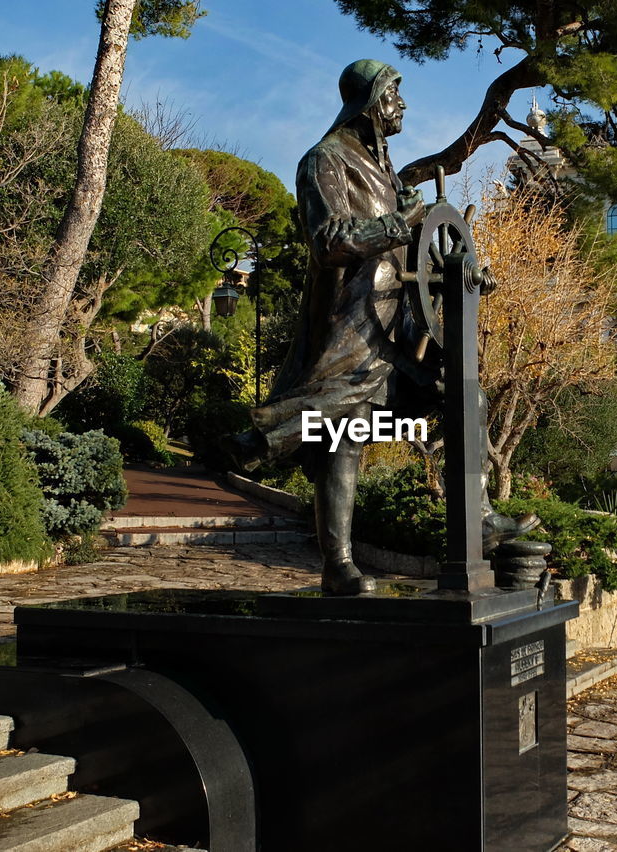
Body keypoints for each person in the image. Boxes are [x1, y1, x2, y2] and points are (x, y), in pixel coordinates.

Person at [225, 59, 534, 595]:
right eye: (396, 95)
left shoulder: (384, 170)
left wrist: (460, 279)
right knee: (342, 438)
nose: (403, 106)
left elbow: (414, 254)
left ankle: (479, 517)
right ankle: (336, 561)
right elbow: (330, 243)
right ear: (372, 102)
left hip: (395, 331)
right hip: (347, 329)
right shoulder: (324, 161)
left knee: (462, 398)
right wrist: (401, 221)